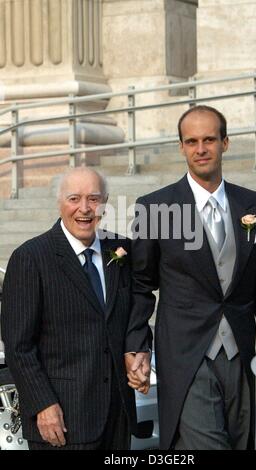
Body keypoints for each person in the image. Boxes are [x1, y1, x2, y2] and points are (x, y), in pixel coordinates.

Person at [125, 105, 256, 450]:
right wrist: (136, 345)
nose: (200, 148)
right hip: (186, 358)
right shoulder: (155, 208)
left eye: (208, 139)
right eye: (191, 141)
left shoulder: (253, 205)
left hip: (240, 357)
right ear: (181, 147)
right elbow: (141, 286)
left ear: (225, 143)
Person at [1, 167, 137, 450]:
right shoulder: (30, 258)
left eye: (94, 199)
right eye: (74, 198)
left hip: (117, 416)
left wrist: (139, 349)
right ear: (60, 202)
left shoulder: (121, 250)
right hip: (61, 421)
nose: (85, 209)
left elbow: (134, 314)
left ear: (106, 202)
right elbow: (18, 346)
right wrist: (43, 405)